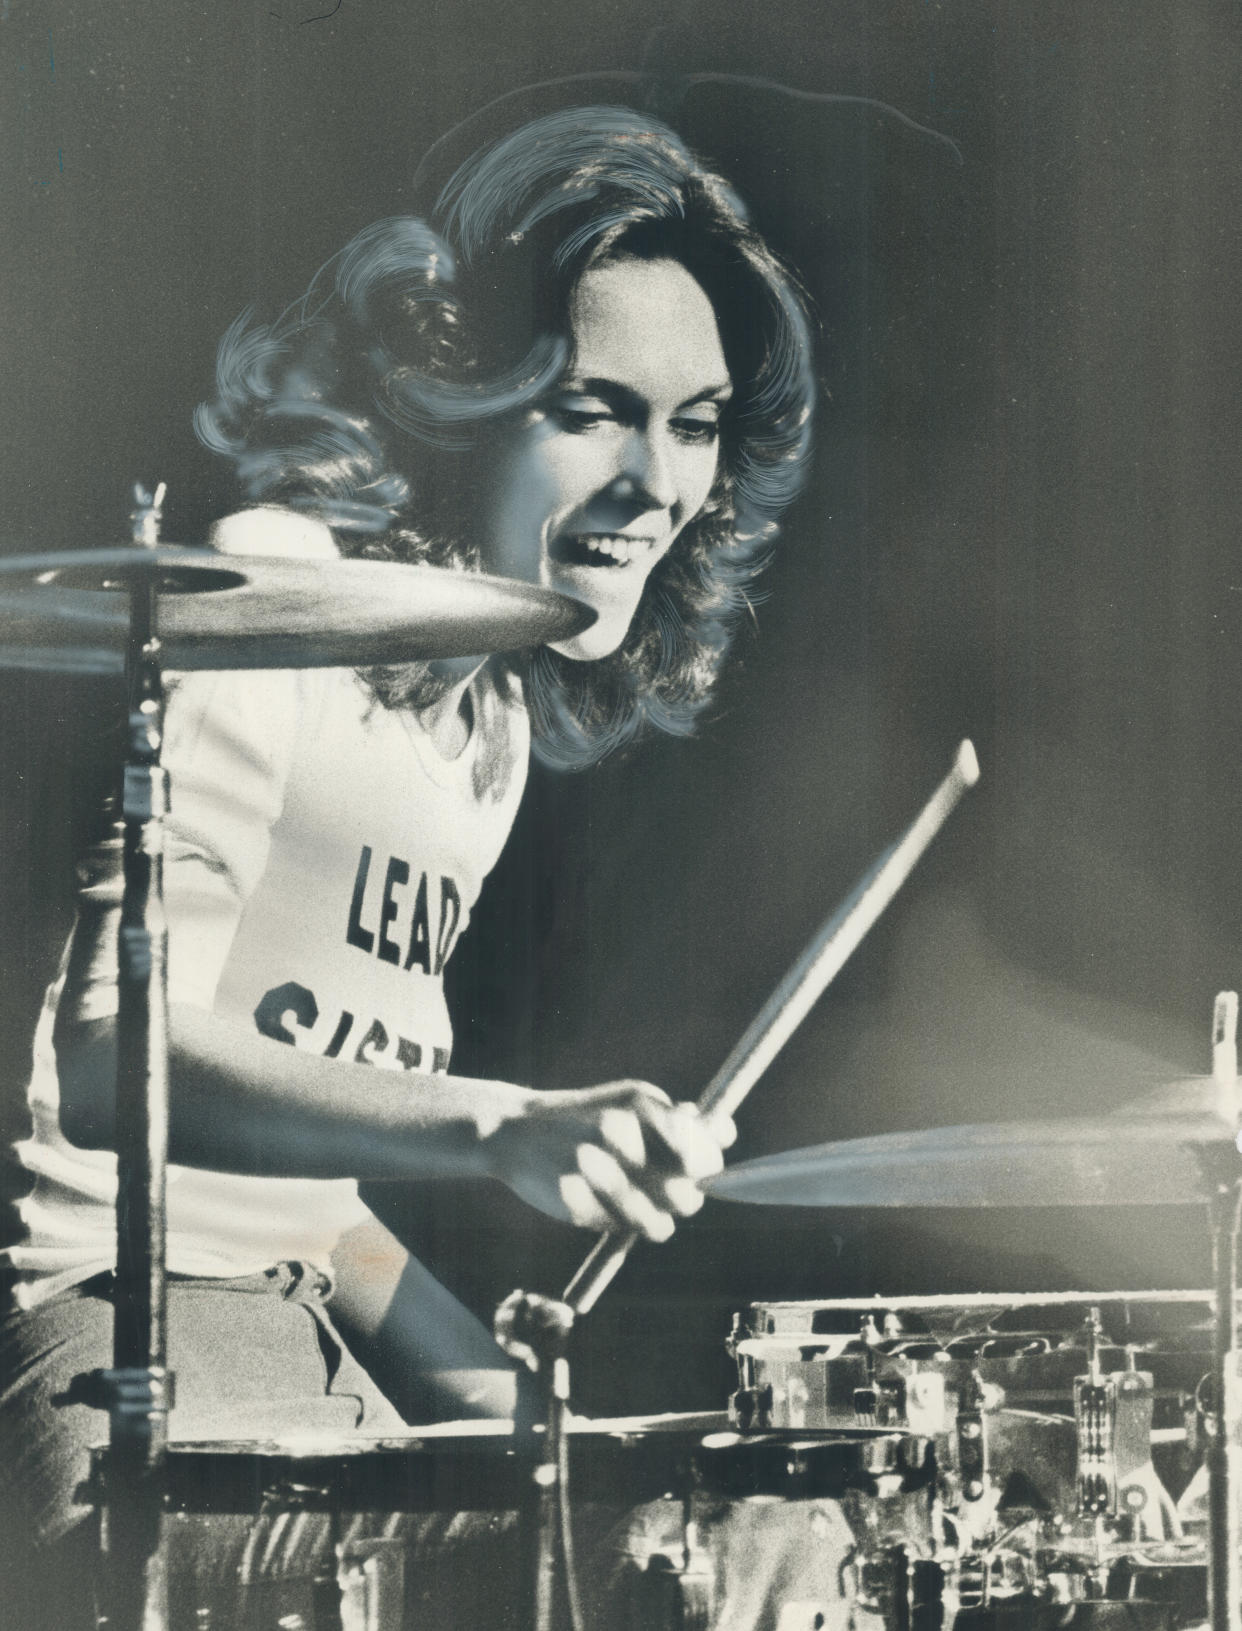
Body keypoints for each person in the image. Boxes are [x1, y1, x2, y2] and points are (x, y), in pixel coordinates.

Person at [0, 105, 817, 1625]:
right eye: (591, 408)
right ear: (458, 400)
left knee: (755, 1505)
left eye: (694, 424)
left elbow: (307, 1220)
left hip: (304, 1361)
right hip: (103, 1363)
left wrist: (533, 1423)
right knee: (731, 1567)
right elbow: (115, 1062)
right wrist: (498, 1121)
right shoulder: (269, 603)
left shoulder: (484, 722)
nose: (658, 480)